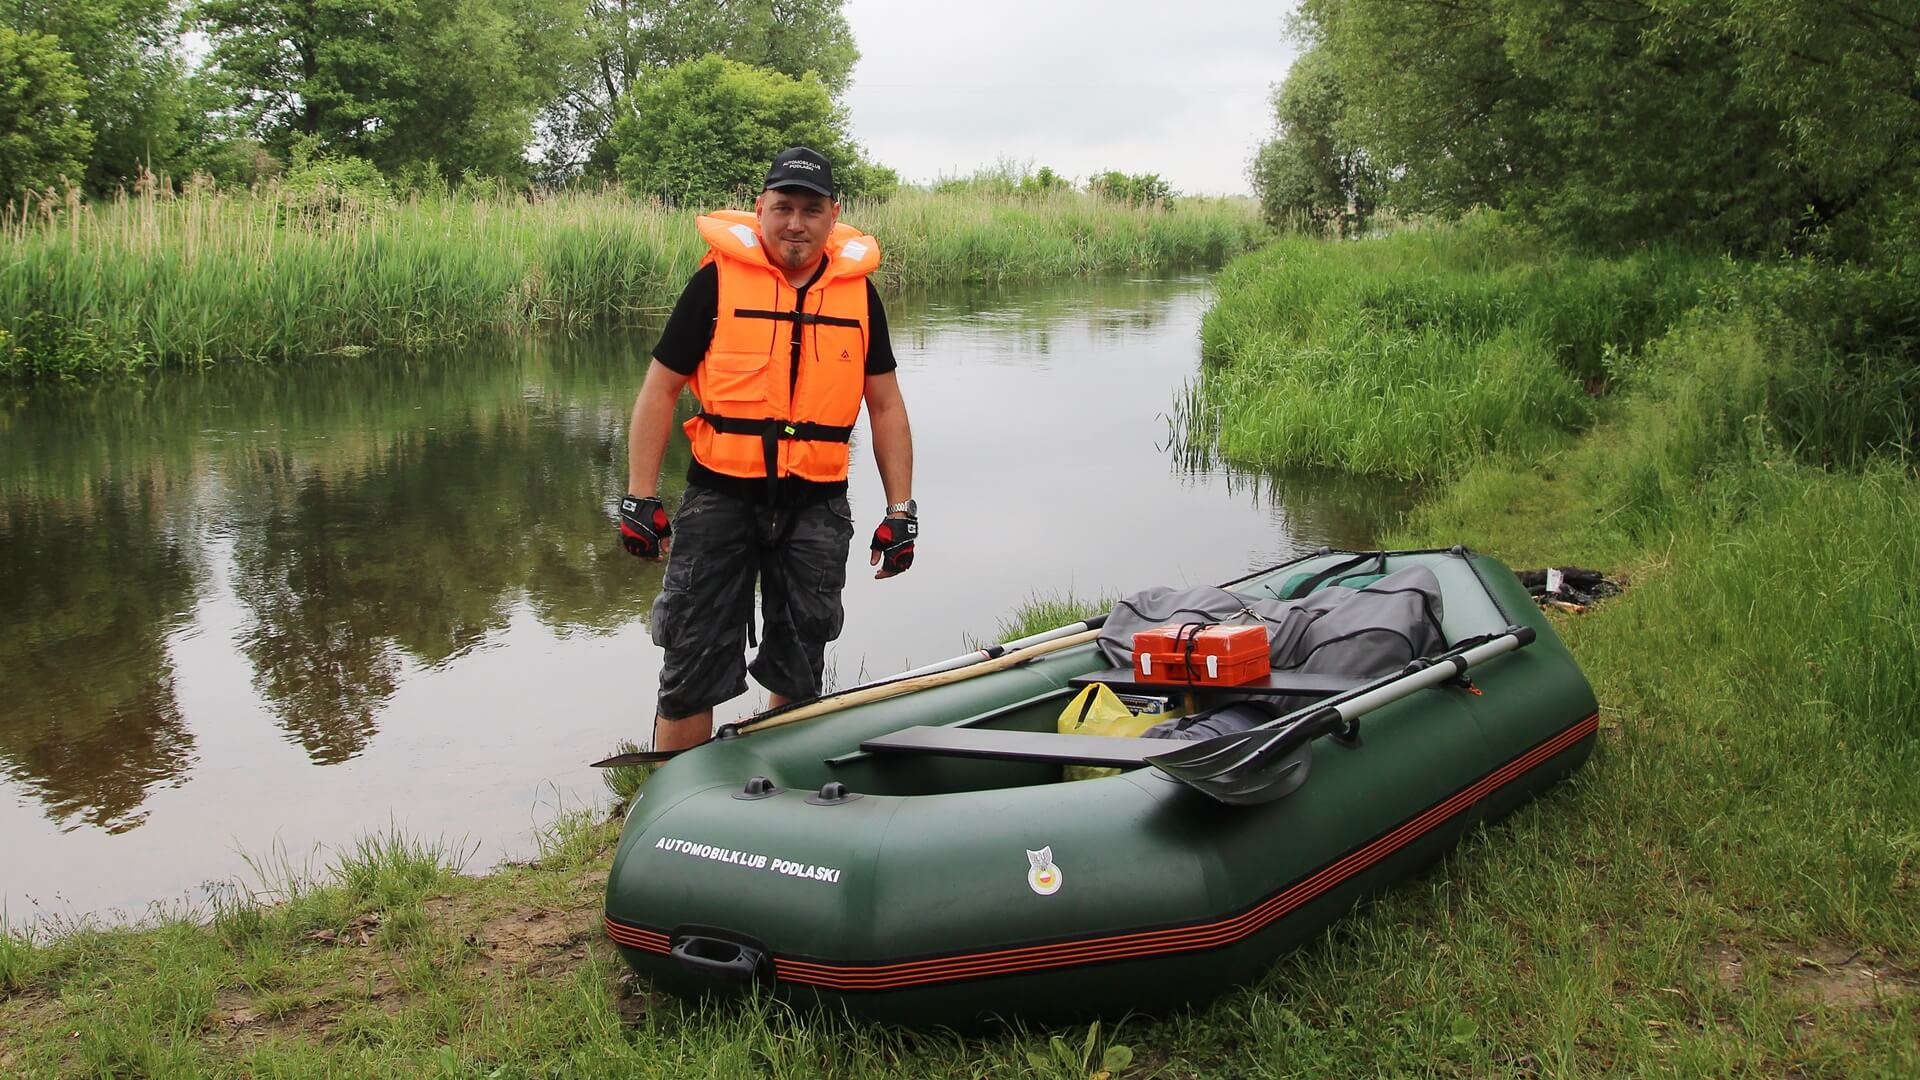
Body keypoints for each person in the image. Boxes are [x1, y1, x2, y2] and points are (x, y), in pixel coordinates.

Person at [619, 147, 917, 753]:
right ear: (760, 210)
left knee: (801, 660)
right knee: (691, 660)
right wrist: (639, 499)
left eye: (811, 209)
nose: (795, 224)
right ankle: (673, 806)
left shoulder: (860, 297)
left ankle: (783, 798)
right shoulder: (715, 282)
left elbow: (885, 406)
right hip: (720, 498)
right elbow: (660, 390)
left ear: (835, 215)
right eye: (783, 207)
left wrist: (900, 511)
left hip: (817, 506)